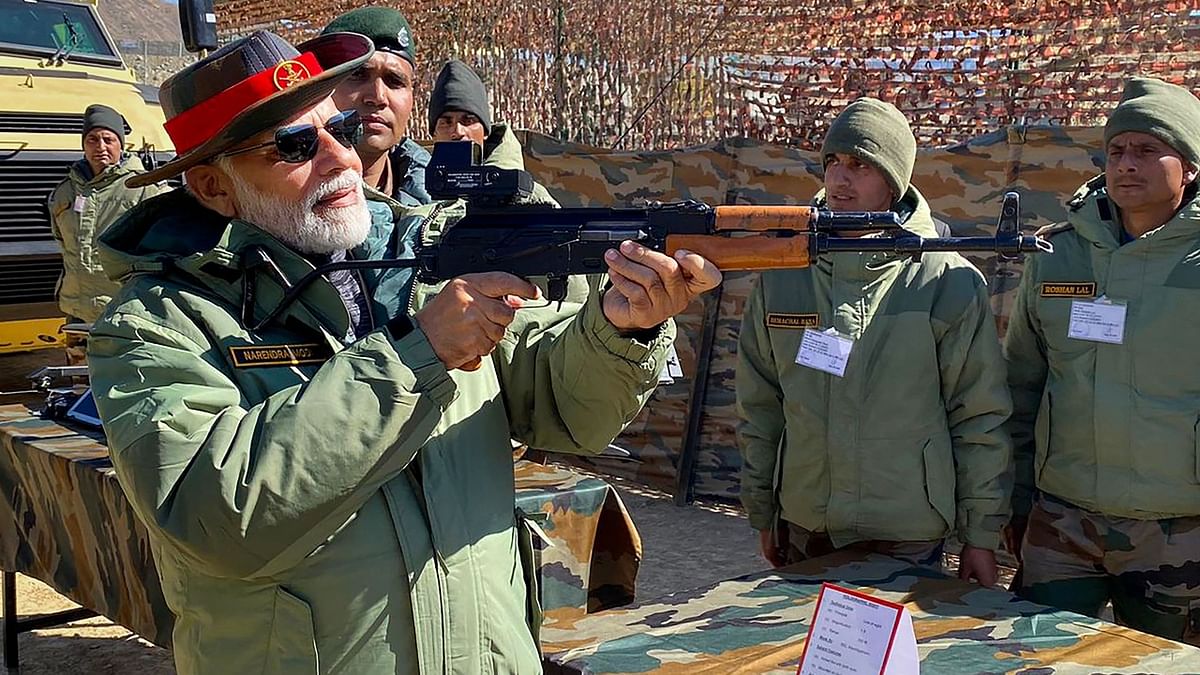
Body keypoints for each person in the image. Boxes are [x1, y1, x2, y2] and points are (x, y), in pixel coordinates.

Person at [86, 31, 721, 674]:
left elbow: (563, 412)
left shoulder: (421, 261)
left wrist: (620, 331)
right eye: (294, 145)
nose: (340, 156)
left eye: (337, 126)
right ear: (214, 188)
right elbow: (217, 517)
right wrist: (419, 356)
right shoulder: (155, 325)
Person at [736, 98, 1012, 585]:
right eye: (833, 164)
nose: (840, 179)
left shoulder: (945, 281)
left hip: (906, 530)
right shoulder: (784, 276)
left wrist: (980, 535)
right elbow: (760, 403)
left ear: (894, 180)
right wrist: (763, 509)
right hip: (806, 520)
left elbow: (979, 417)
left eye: (860, 166)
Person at [1004, 76, 1200, 646]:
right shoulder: (1057, 252)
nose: (1126, 164)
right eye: (1116, 151)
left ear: (1188, 165)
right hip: (1061, 525)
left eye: (1146, 149)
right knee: (1033, 658)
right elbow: (1021, 384)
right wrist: (1014, 501)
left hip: (1178, 530)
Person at [48, 104, 163, 324]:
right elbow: (63, 245)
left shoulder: (143, 188)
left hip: (126, 312)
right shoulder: (65, 192)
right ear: (84, 145)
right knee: (77, 360)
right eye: (92, 140)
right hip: (77, 310)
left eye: (108, 140)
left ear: (121, 144)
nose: (100, 146)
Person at [323, 7, 429, 206]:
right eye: (357, 75)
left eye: (395, 81)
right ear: (322, 90)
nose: (378, 97)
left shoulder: (442, 201)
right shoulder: (283, 203)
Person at [428, 58, 559, 206]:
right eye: (446, 122)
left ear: (485, 131)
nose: (457, 132)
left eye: (468, 121)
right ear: (434, 134)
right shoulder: (415, 191)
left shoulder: (528, 198)